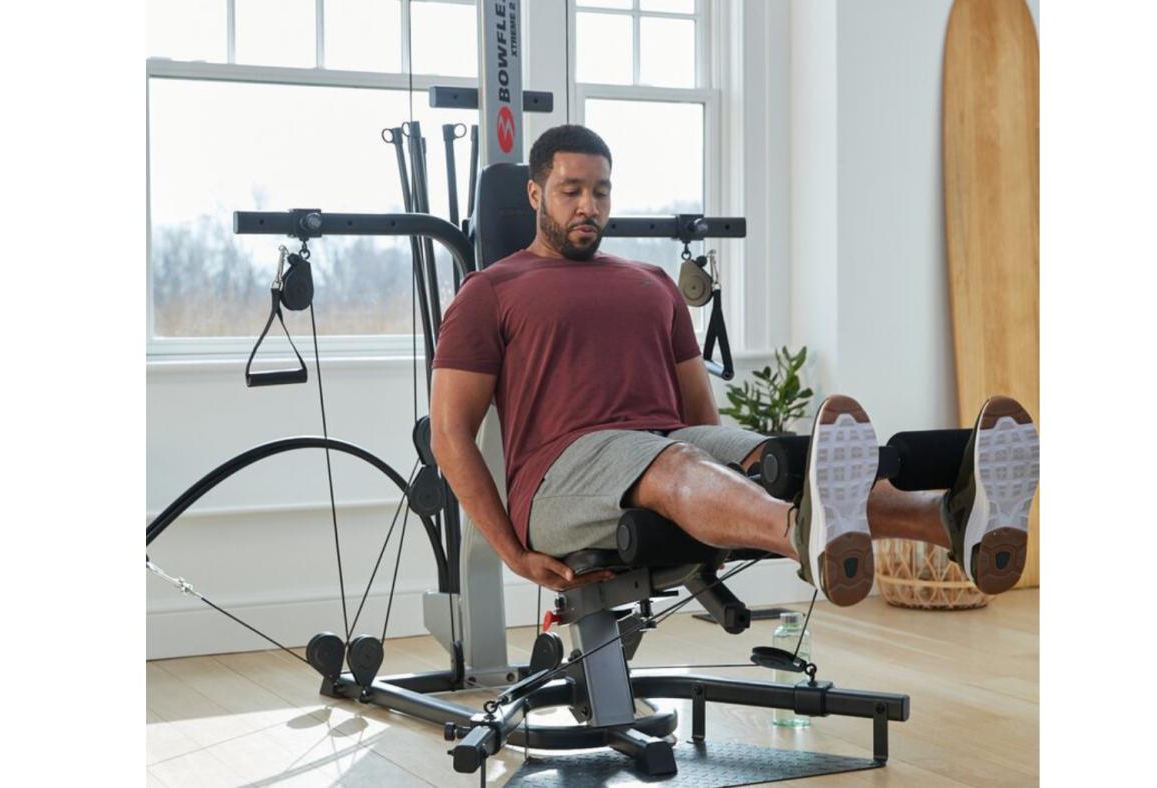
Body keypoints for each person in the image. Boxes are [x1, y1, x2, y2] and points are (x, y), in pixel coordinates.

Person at [429, 125, 1039, 606]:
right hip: (563, 476)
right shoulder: (492, 291)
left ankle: (949, 520)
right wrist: (511, 552)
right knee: (678, 460)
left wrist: (740, 476)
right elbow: (450, 434)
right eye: (571, 191)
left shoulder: (651, 281)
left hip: (666, 443)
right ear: (535, 194)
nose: (589, 205)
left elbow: (699, 415)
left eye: (601, 190)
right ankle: (802, 535)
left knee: (791, 461)